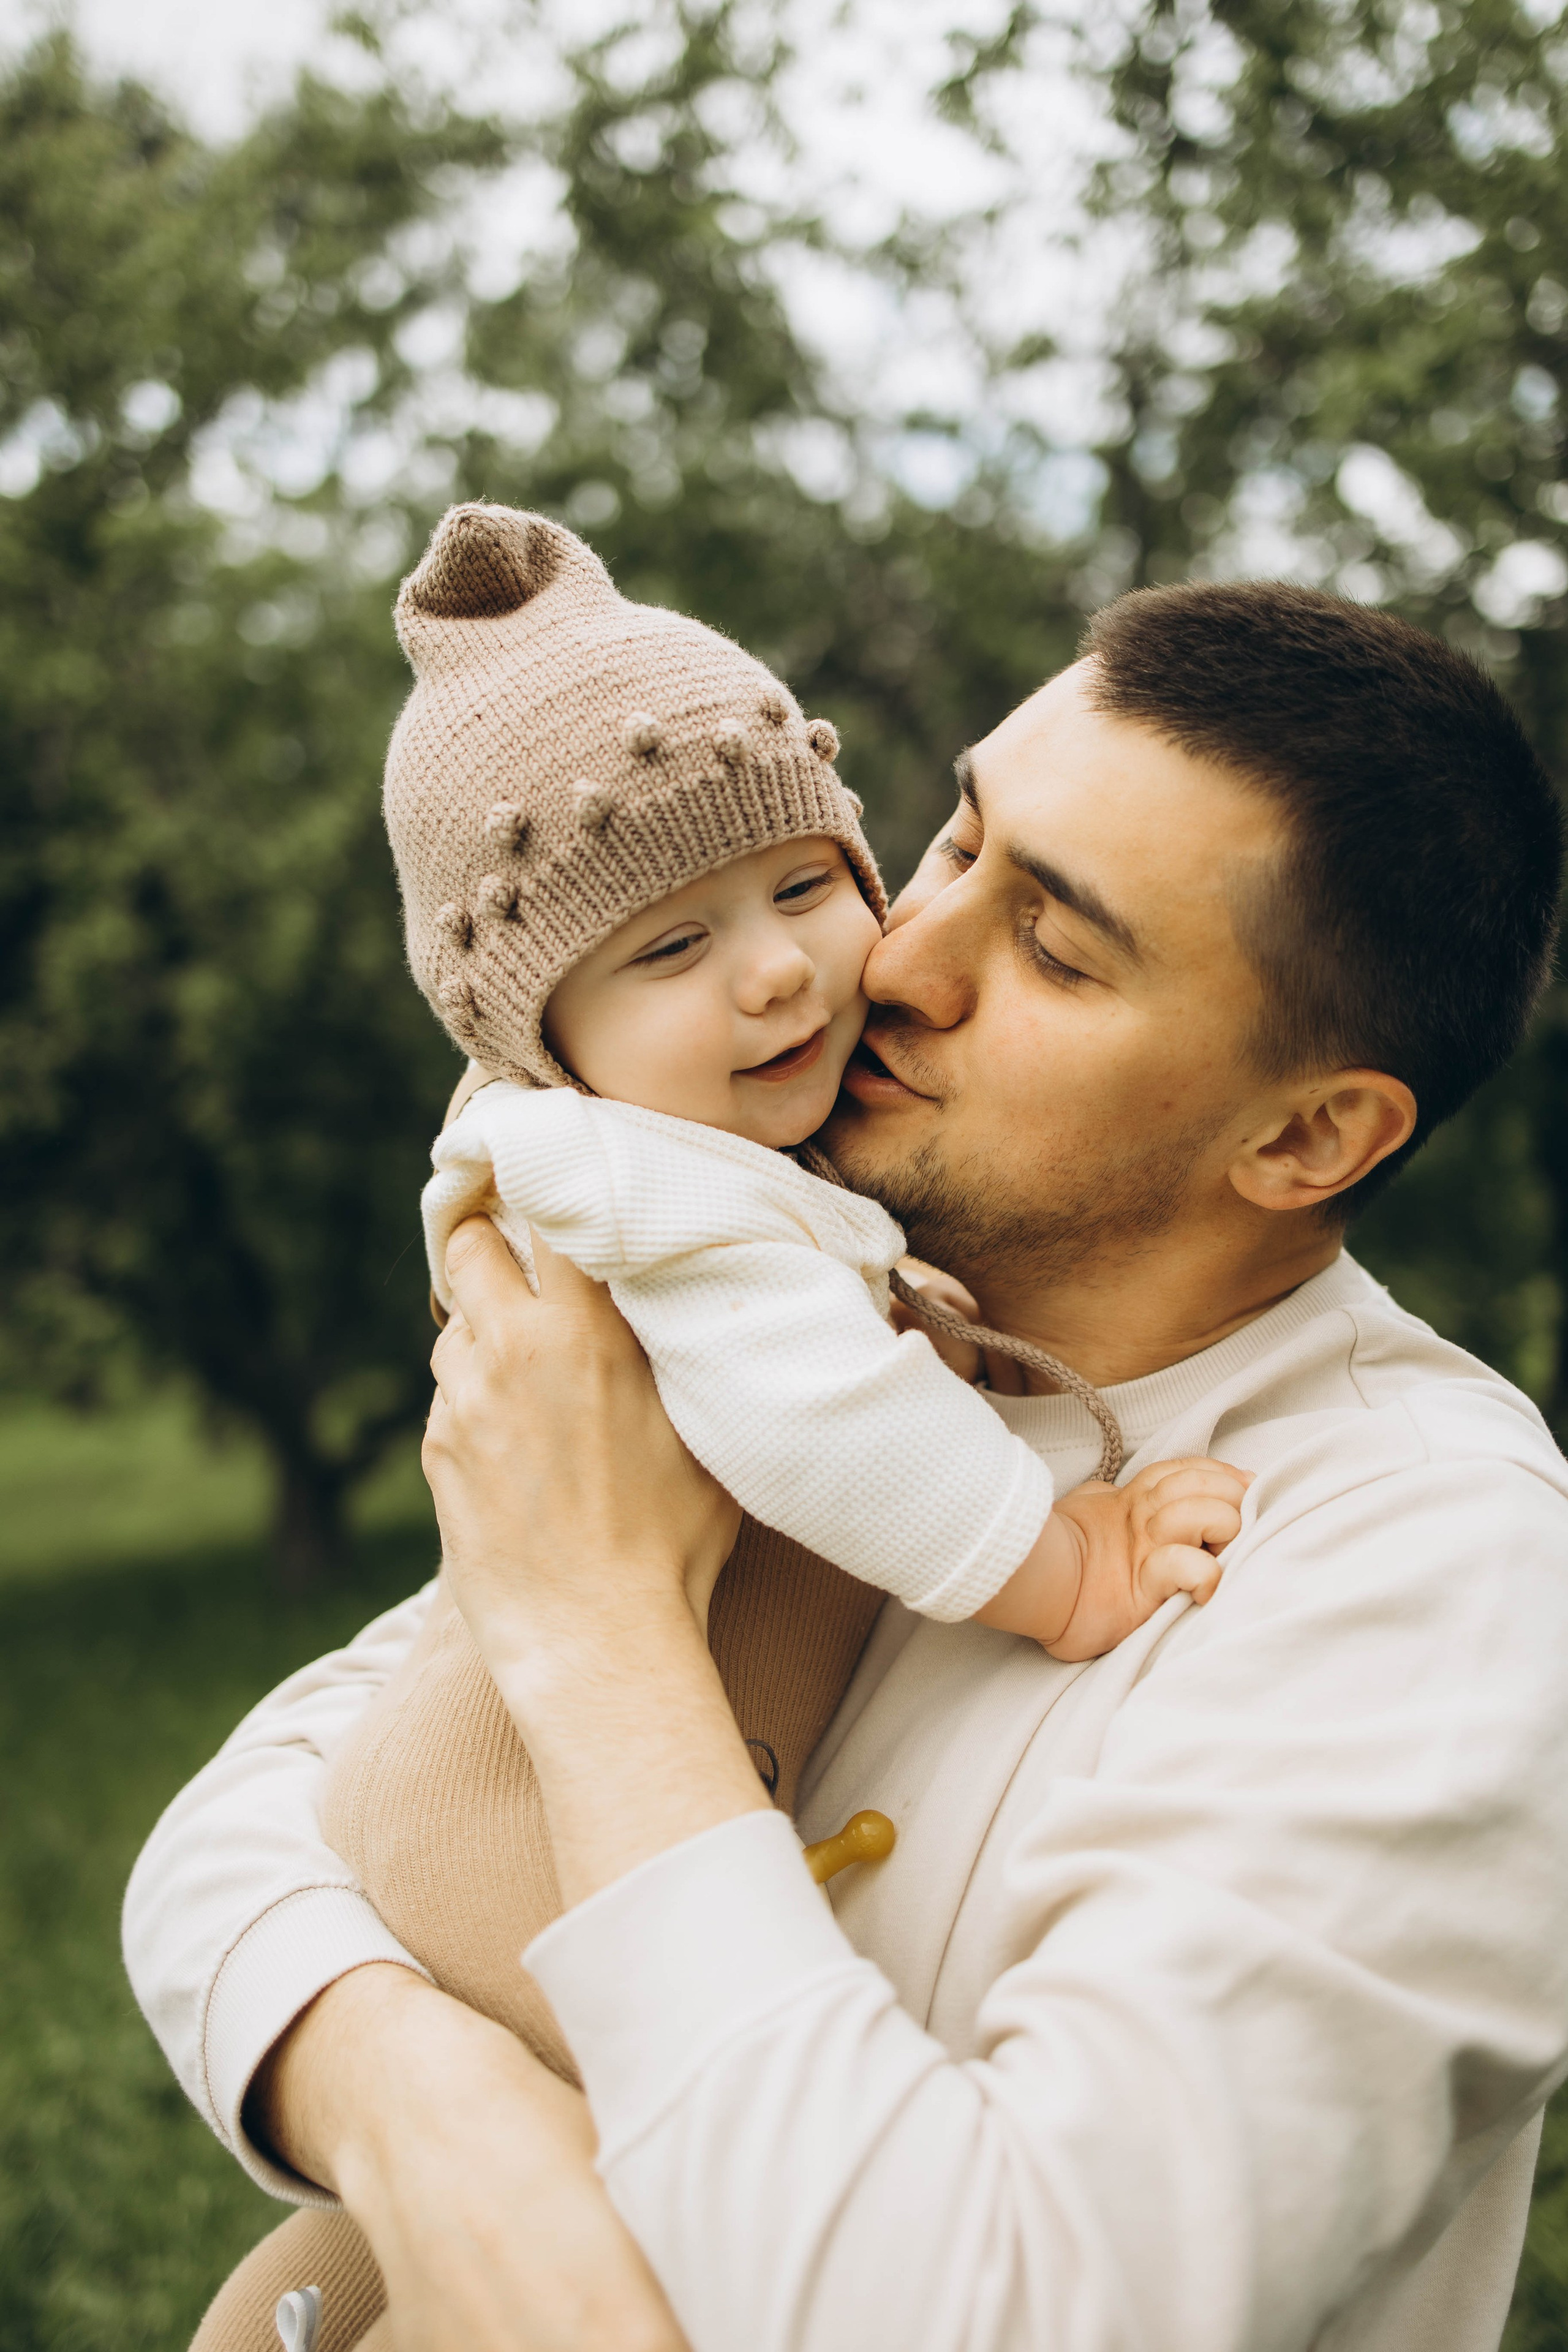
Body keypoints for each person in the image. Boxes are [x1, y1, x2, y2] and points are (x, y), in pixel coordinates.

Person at [126, 578, 1568, 2352]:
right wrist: (434, 2120)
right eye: (951, 844)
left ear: (1310, 1134)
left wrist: (599, 1628)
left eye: (1053, 946)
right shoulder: (817, 1332)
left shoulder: (1429, 1563)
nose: (895, 960)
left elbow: (1002, 2312)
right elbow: (247, 1822)